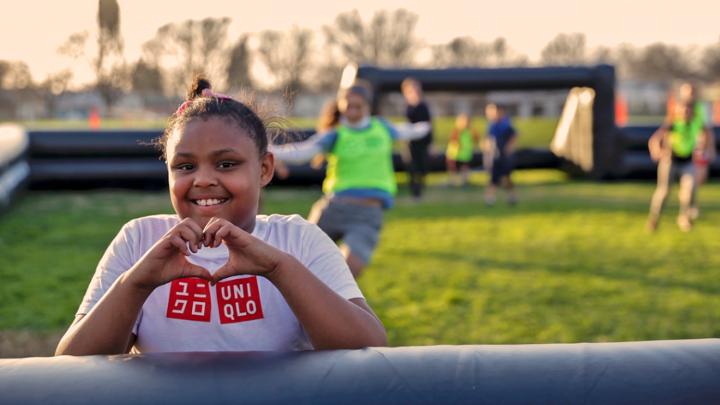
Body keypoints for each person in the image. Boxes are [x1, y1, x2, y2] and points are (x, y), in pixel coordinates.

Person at [55, 77, 387, 355]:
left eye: (226, 164)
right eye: (185, 166)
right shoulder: (138, 240)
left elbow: (369, 348)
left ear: (265, 169)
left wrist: (278, 268)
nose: (202, 179)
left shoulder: (299, 240)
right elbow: (71, 364)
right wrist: (137, 282)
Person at [272, 82, 431, 278]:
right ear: (340, 105)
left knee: (345, 274)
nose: (353, 111)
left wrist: (425, 126)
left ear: (368, 107)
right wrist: (271, 150)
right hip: (333, 209)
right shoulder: (336, 135)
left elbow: (409, 131)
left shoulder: (381, 127)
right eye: (348, 106)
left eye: (358, 106)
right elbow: (304, 152)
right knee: (299, 264)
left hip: (367, 215)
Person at [647, 101, 715, 232]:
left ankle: (684, 217)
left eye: (688, 111)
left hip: (688, 160)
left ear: (692, 112)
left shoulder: (697, 123)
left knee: (689, 189)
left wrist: (706, 150)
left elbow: (708, 135)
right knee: (664, 191)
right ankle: (654, 218)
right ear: (678, 111)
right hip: (670, 160)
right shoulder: (673, 123)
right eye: (683, 111)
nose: (685, 113)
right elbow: (655, 139)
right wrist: (657, 152)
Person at [401, 78, 433, 200]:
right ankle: (415, 192)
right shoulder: (408, 106)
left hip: (422, 142)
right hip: (410, 142)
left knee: (422, 167)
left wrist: (431, 143)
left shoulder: (423, 106)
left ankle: (420, 190)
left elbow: (429, 125)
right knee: (411, 167)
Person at [483, 103, 518, 205]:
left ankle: (512, 197)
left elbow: (514, 135)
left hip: (504, 156)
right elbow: (488, 139)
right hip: (494, 156)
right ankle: (490, 199)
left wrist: (509, 147)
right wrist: (486, 146)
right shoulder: (491, 125)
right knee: (493, 178)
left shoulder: (505, 124)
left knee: (506, 177)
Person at [445, 113, 479, 186]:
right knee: (453, 167)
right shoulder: (456, 131)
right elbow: (453, 143)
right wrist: (451, 154)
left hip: (466, 153)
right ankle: (453, 181)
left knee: (465, 167)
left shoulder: (471, 131)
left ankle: (465, 181)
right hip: (456, 153)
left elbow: (476, 139)